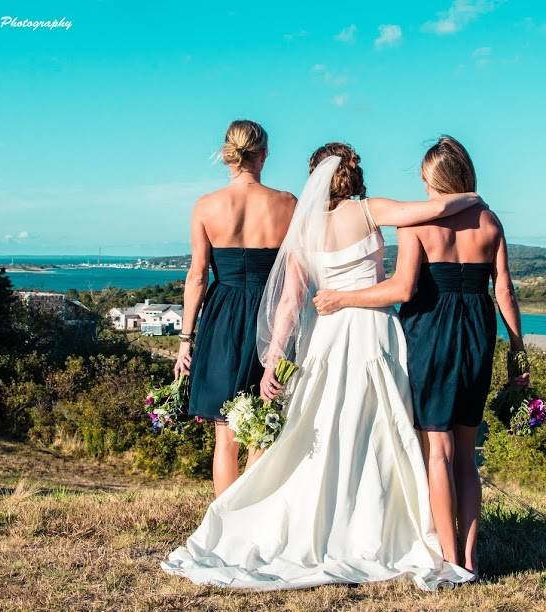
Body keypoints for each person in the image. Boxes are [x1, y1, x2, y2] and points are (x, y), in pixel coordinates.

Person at [162, 143, 482, 590]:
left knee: (323, 426)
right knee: (376, 429)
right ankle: (380, 524)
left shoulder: (304, 229)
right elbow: (432, 208)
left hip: (328, 336)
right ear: (354, 174)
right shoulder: (370, 211)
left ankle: (323, 520)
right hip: (372, 331)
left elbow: (290, 302)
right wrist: (472, 199)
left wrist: (273, 358)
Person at [312, 136, 528, 574]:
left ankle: (450, 560)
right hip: (478, 331)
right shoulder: (490, 220)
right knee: (467, 452)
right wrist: (517, 349)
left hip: (431, 332)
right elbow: (503, 289)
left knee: (438, 452)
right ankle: (471, 556)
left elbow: (403, 289)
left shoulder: (415, 226)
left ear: (434, 179)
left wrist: (342, 298)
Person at [173, 120, 296, 495]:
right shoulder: (288, 203)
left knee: (225, 436)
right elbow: (294, 280)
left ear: (229, 154)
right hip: (271, 316)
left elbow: (197, 278)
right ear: (264, 154)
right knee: (263, 425)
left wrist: (184, 340)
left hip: (223, 316)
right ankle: (251, 521)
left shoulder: (206, 206)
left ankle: (224, 527)